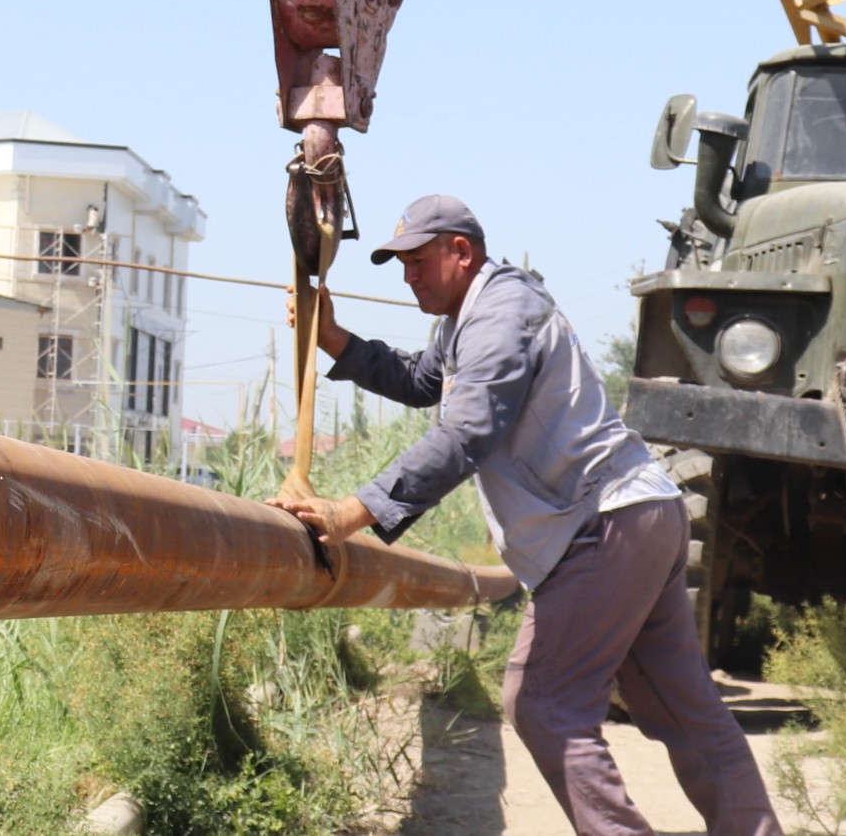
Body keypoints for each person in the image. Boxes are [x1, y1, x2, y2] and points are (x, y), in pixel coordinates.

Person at [270, 194, 779, 836]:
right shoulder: (469, 319)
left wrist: (352, 511)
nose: (409, 276)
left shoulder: (500, 314)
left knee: (542, 702)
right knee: (685, 712)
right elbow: (425, 382)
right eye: (401, 265)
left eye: (419, 261)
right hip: (640, 513)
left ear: (462, 251)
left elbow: (466, 432)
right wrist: (334, 339)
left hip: (601, 525)